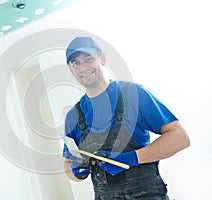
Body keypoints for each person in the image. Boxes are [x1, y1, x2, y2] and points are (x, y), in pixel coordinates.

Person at [62, 36, 190, 200]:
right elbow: (67, 163)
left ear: (102, 58)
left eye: (88, 59)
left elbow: (180, 137)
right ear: (71, 70)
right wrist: (75, 171)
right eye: (76, 63)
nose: (83, 67)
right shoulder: (73, 117)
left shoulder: (133, 94)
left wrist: (134, 158)